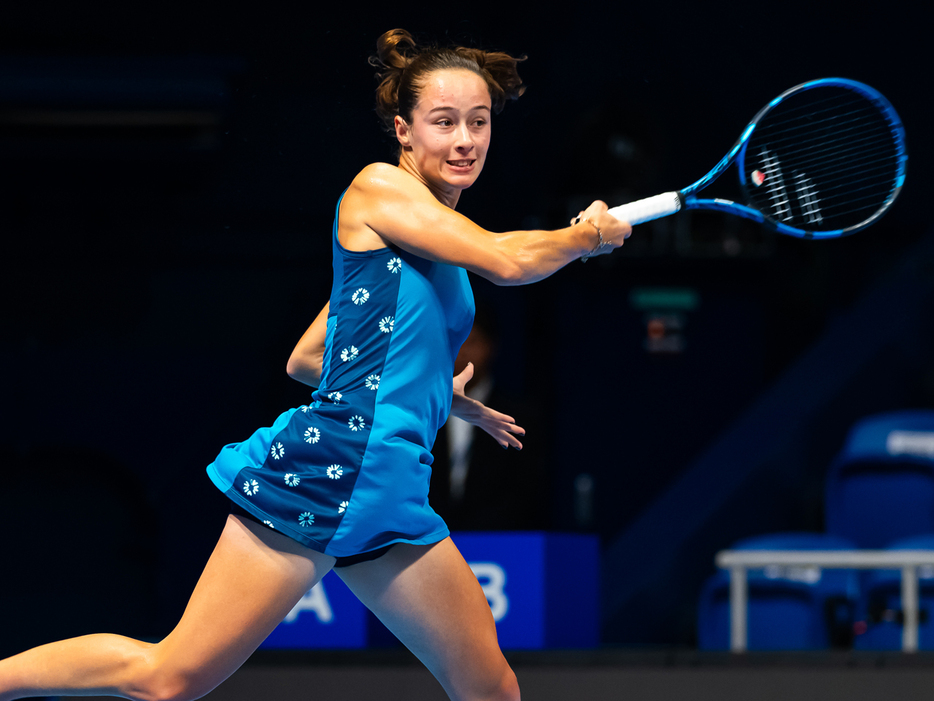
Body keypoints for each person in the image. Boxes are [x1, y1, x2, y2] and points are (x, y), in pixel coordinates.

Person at [0, 28, 630, 701]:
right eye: (443, 122)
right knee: (170, 676)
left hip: (389, 489)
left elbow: (308, 357)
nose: (465, 140)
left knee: (489, 687)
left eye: (478, 122)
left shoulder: (426, 238)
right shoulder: (379, 189)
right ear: (404, 130)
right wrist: (584, 237)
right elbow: (508, 260)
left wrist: (435, 393)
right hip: (334, 468)